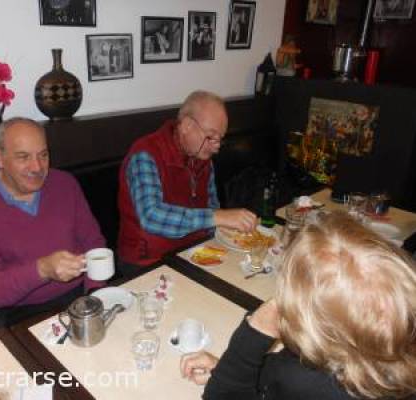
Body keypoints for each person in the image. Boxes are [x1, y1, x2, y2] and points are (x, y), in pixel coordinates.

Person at [181, 211, 416, 399]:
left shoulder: (304, 381)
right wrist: (226, 368)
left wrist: (253, 334)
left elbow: (221, 395)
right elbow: (279, 371)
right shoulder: (386, 356)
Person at [0, 117, 105, 326]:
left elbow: (93, 242)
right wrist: (42, 269)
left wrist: (94, 295)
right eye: (23, 157)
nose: (37, 167)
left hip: (80, 297)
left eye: (44, 155)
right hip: (19, 314)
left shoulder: (64, 184)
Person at [118, 91, 257, 272]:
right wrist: (218, 217)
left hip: (192, 253)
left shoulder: (202, 156)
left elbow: (211, 206)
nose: (216, 147)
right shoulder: (145, 154)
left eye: (220, 139)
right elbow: (151, 216)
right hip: (148, 262)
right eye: (210, 136)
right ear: (186, 125)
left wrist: (229, 230)